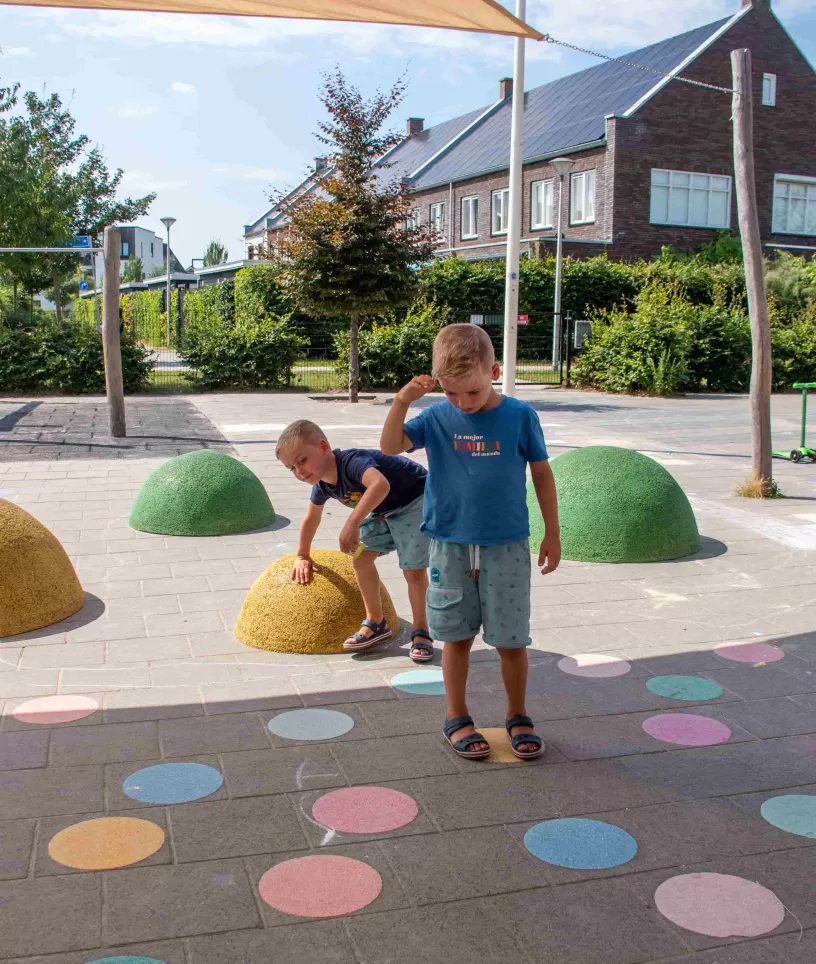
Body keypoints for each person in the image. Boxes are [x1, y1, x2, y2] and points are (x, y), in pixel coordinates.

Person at [380, 324, 561, 760]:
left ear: (494, 372)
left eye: (473, 392)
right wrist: (403, 400)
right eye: (452, 393)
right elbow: (389, 447)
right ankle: (457, 717)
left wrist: (553, 532)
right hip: (449, 543)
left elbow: (541, 473)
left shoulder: (519, 415)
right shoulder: (437, 417)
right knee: (455, 638)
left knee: (512, 641)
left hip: (506, 544)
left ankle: (517, 715)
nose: (463, 403)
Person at [276, 419, 434, 661]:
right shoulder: (322, 485)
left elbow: (380, 484)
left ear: (323, 446)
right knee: (360, 560)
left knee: (413, 570)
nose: (299, 471)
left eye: (302, 460)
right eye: (291, 468)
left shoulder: (352, 462)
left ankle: (421, 631)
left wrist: (352, 523)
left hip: (415, 499)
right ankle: (376, 623)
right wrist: (302, 555)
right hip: (384, 510)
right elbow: (311, 518)